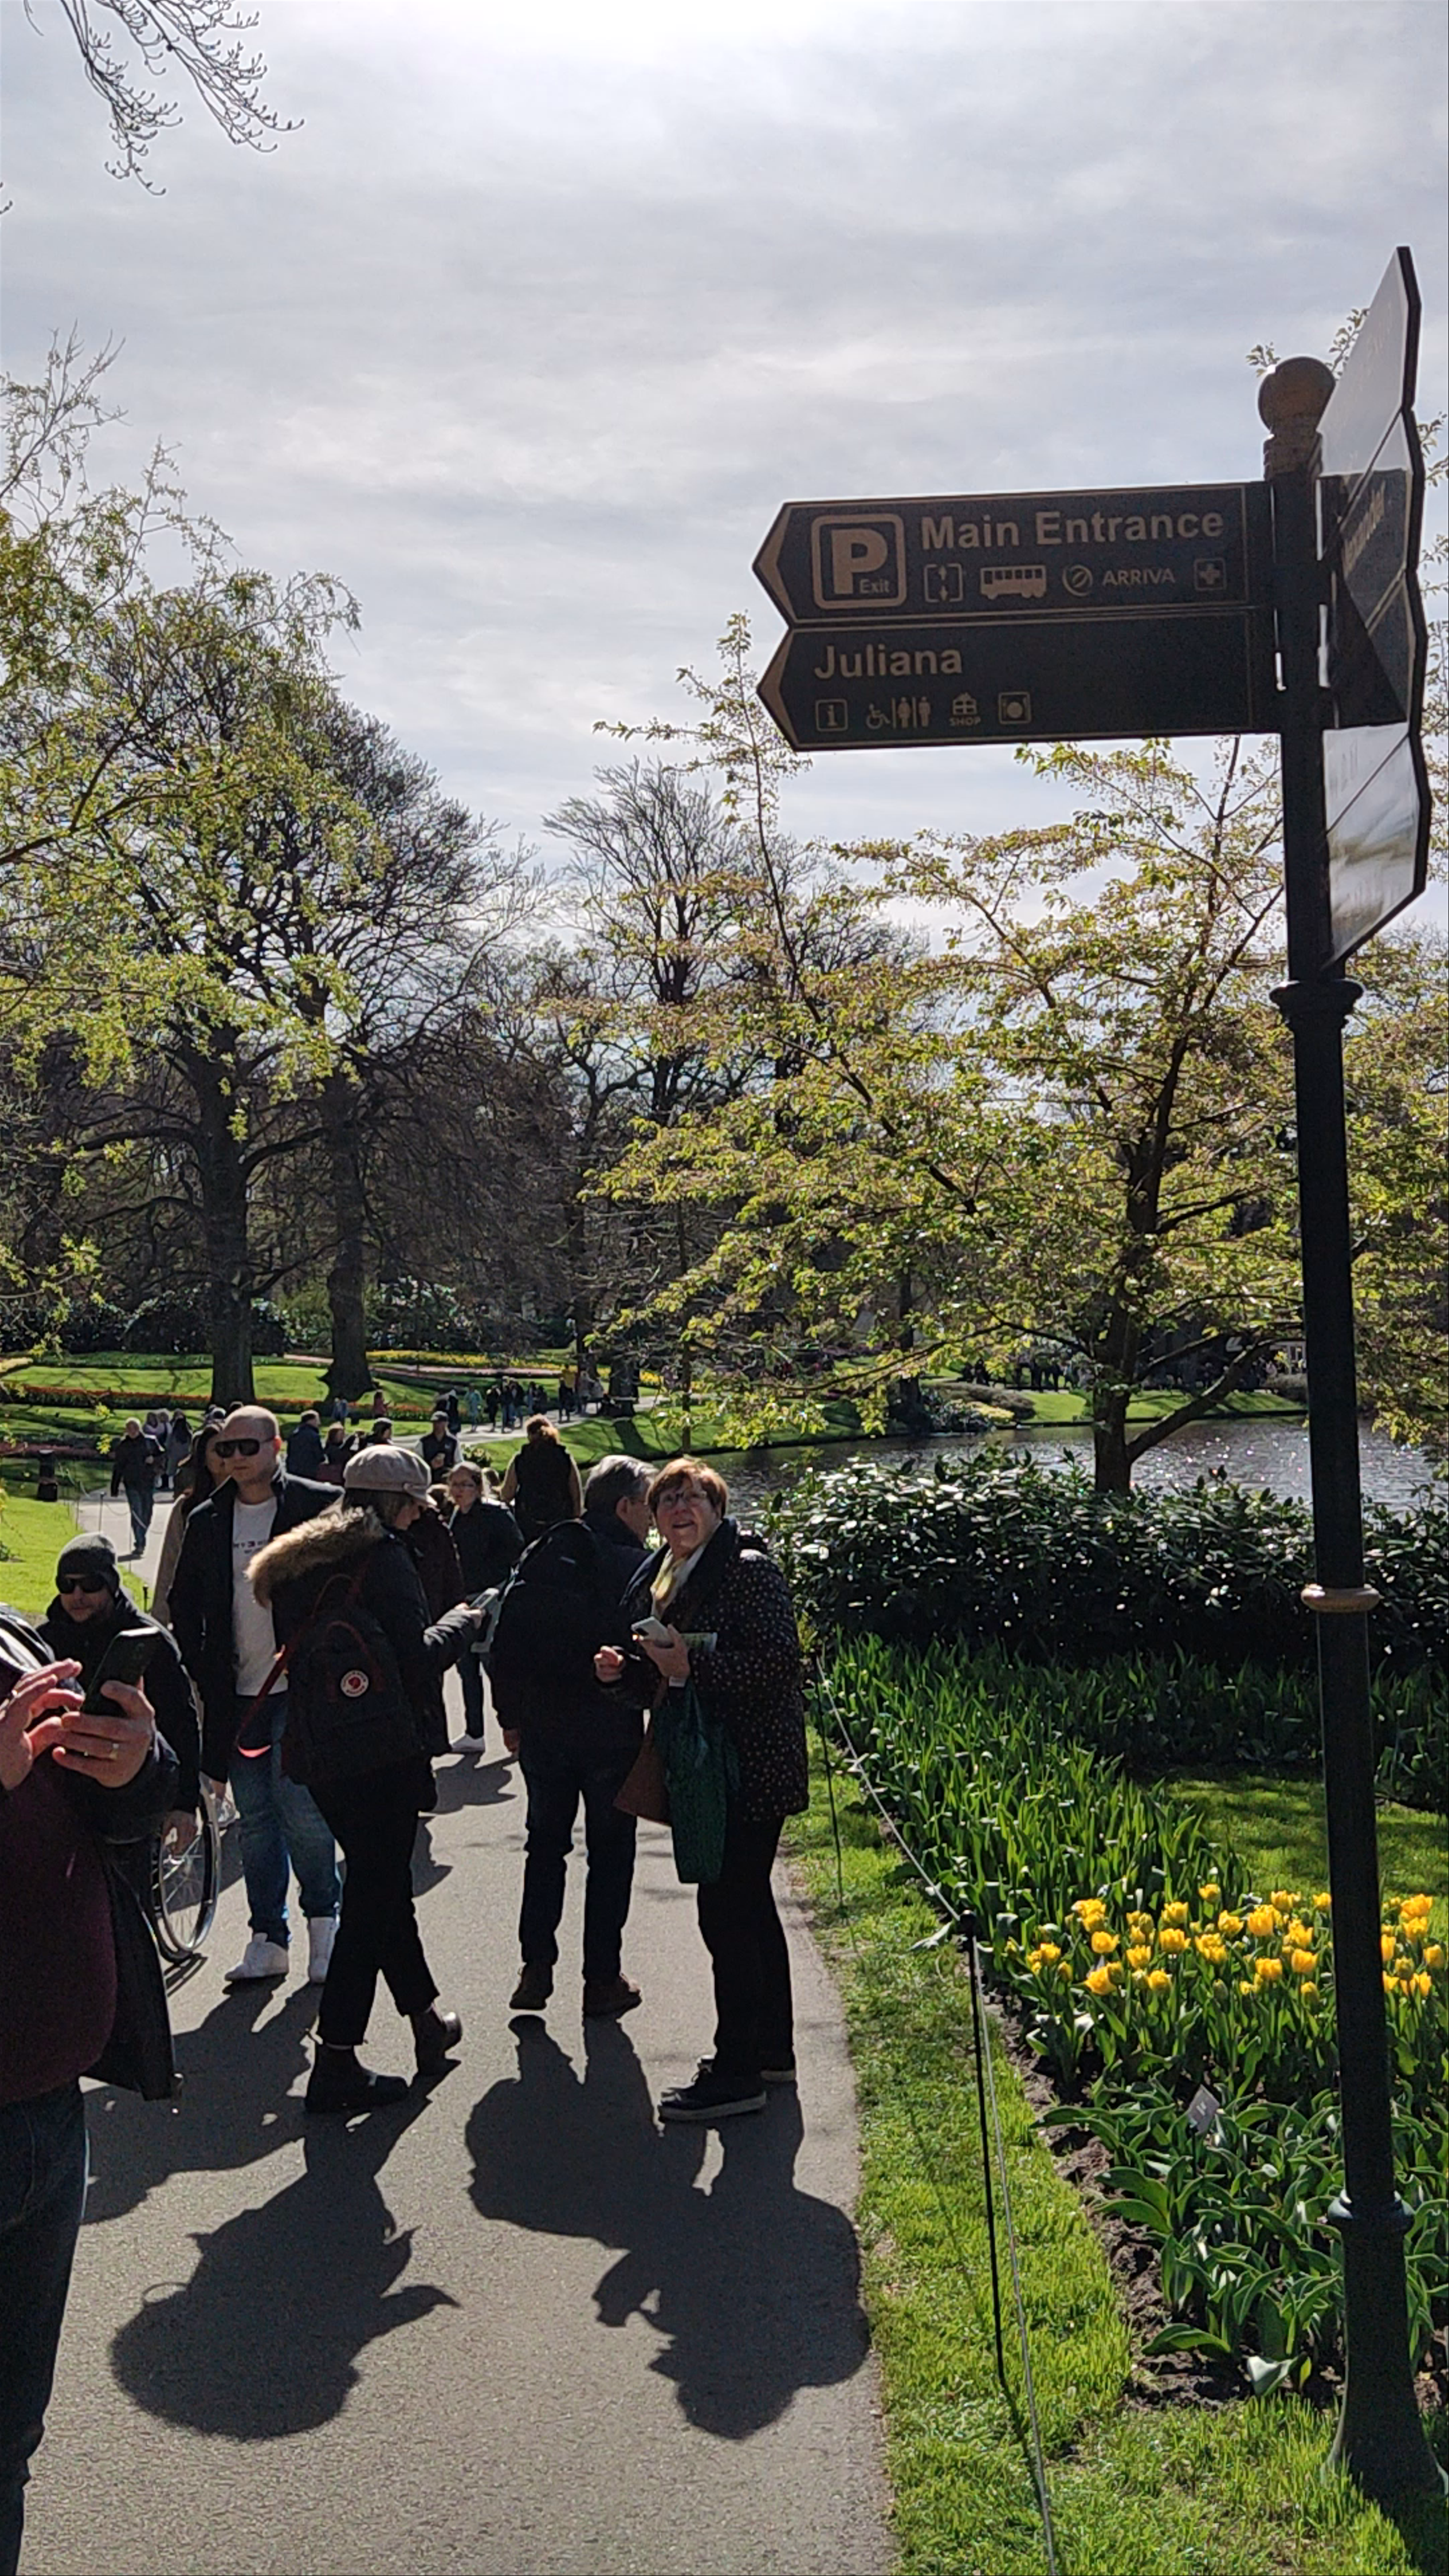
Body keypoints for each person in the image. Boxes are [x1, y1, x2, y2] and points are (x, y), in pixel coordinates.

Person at [0, 1622, 174, 2576]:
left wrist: (136, 1766)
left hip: (48, 2110)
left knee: (8, 2445)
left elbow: (124, 1804)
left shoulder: (11, 1635)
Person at [248, 1447, 481, 2113]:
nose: (421, 1514)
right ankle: (338, 2056)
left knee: (384, 1887)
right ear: (398, 1504)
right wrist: (465, 1620)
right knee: (375, 1896)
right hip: (383, 1752)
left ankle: (426, 2020)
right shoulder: (386, 1561)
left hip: (319, 1748)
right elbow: (417, 1660)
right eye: (416, 1504)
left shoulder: (299, 1562)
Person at [597, 1456, 807, 2124]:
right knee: (748, 1909)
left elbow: (779, 1665)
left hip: (750, 1767)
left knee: (728, 1912)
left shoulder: (748, 1570)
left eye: (694, 1500)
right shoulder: (665, 1577)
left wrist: (694, 1663)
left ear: (718, 1511)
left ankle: (737, 2069)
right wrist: (620, 1675)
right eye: (667, 1502)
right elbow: (661, 1679)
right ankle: (769, 2052)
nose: (679, 1511)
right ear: (654, 1518)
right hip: (706, 1767)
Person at [169, 1407, 341, 1989]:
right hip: (238, 1693)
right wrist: (200, 1663)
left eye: (247, 1445)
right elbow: (183, 1600)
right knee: (258, 1818)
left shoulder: (316, 1505)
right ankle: (269, 1936)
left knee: (301, 1807)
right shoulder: (208, 1519)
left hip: (302, 1685)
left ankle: (325, 1920)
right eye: (226, 1448)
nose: (236, 1457)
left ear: (275, 1445)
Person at [493, 1455, 652, 2019]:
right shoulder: (638, 1566)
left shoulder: (545, 1551)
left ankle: (536, 1966)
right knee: (609, 1853)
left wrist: (509, 1716)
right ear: (626, 1505)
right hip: (610, 1729)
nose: (653, 1516)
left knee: (545, 1846)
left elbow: (504, 1638)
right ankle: (601, 1978)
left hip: (543, 1726)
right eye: (649, 1503)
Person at [40, 1536, 202, 1877]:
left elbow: (182, 1721)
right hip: (66, 1790)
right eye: (66, 1586)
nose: (78, 1595)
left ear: (112, 1585)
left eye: (91, 1584)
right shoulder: (46, 1641)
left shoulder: (146, 1640)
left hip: (137, 1791)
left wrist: (185, 1803)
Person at [445, 1461, 523, 1749]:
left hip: (491, 1597)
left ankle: (515, 1727)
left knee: (495, 1666)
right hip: (464, 1599)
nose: (459, 1491)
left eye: (465, 1485)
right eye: (455, 1484)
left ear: (478, 1487)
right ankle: (475, 1732)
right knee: (467, 1667)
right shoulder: (454, 1516)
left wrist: (495, 1579)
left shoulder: (495, 1514)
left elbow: (515, 1548)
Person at [151, 1418, 228, 1628]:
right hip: (196, 1613)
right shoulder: (186, 1507)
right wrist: (160, 1621)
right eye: (219, 1450)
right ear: (204, 1457)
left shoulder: (252, 1503)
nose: (228, 1457)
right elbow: (170, 1563)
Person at [501, 1414, 583, 1544]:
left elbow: (508, 1493)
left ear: (530, 1435)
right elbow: (576, 1493)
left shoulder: (521, 1459)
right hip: (560, 1521)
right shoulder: (565, 1457)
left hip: (528, 1521)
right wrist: (576, 1519)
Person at [110, 1418, 158, 1558]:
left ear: (139, 1429)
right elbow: (118, 1467)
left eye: (134, 1428)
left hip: (148, 1483)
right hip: (132, 1484)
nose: (132, 1431)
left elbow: (163, 1456)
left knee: (147, 1513)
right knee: (137, 1513)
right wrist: (115, 1487)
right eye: (129, 1429)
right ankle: (140, 1543)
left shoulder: (150, 1442)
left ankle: (142, 1534)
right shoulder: (123, 1446)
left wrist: (154, 1461)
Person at [285, 1409, 326, 1477]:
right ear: (311, 1421)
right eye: (317, 1420)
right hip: (309, 1471)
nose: (319, 1423)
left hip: (293, 1470)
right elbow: (319, 1455)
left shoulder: (294, 1435)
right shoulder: (314, 1436)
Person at [421, 1411, 459, 1479]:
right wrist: (430, 1464)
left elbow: (458, 1462)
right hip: (428, 1477)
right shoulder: (424, 1441)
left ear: (447, 1423)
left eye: (440, 1423)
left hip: (447, 1477)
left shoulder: (453, 1442)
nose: (437, 1425)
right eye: (435, 1423)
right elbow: (418, 1461)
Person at [318, 1422, 354, 1487]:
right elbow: (339, 1457)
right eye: (340, 1434)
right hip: (335, 1477)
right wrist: (347, 1446)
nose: (343, 1436)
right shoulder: (330, 1448)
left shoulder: (341, 1446)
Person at [165, 1410, 192, 1492]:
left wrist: (168, 1452)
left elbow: (168, 1445)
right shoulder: (189, 1434)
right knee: (184, 1470)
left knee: (172, 1471)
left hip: (174, 1455)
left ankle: (171, 1486)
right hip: (186, 1455)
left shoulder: (172, 1434)